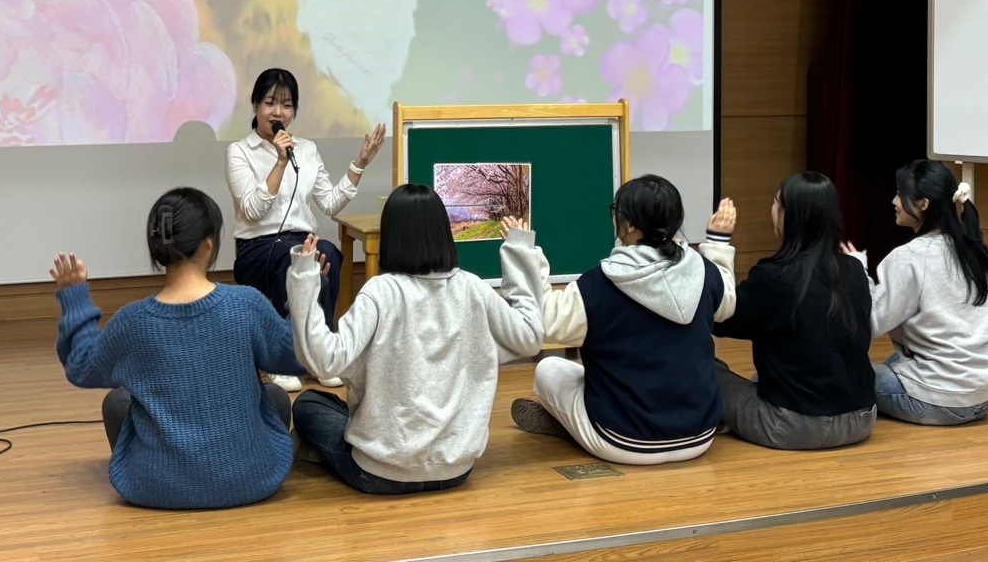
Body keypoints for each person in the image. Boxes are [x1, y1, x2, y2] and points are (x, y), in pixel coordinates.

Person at [50, 186, 305, 509]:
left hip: (155, 489)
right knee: (276, 397)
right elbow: (300, 356)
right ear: (210, 246)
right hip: (252, 480)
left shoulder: (133, 322)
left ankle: (166, 471)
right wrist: (303, 291)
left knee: (117, 402)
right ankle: (239, 465)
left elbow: (82, 366)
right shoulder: (246, 305)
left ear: (158, 250)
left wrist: (75, 297)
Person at [284, 183, 543, 494]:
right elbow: (529, 337)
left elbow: (325, 362)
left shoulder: (381, 291)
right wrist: (519, 252)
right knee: (333, 407)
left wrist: (303, 280)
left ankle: (315, 451)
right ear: (443, 231)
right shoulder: (472, 288)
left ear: (391, 235)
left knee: (310, 404)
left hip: (380, 473)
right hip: (456, 469)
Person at [508, 174, 738, 464]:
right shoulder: (705, 271)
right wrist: (717, 243)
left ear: (628, 224)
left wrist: (523, 251)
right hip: (699, 436)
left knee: (550, 368)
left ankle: (573, 427)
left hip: (624, 441)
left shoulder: (598, 286)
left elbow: (544, 323)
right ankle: (576, 425)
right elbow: (726, 304)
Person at [225, 67, 386, 391]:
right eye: (270, 103)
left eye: (286, 105)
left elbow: (328, 203)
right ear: (255, 105)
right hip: (258, 248)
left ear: (294, 111)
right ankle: (282, 358)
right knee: (298, 259)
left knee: (328, 253)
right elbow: (254, 211)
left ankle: (317, 356)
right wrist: (280, 161)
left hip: (301, 241)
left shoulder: (308, 150)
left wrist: (360, 164)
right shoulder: (239, 151)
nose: (278, 112)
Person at [712, 171, 877, 450]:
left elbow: (719, 316)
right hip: (862, 419)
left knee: (707, 368)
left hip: (794, 426)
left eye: (777, 203)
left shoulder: (774, 276)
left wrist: (716, 243)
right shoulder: (854, 270)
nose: (772, 209)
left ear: (792, 215)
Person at [843, 161, 988, 426]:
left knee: (837, 367)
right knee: (897, 359)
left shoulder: (909, 257)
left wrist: (858, 271)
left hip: (936, 401)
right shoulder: (976, 252)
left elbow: (873, 322)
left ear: (923, 204)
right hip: (986, 396)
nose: (894, 201)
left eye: (900, 193)